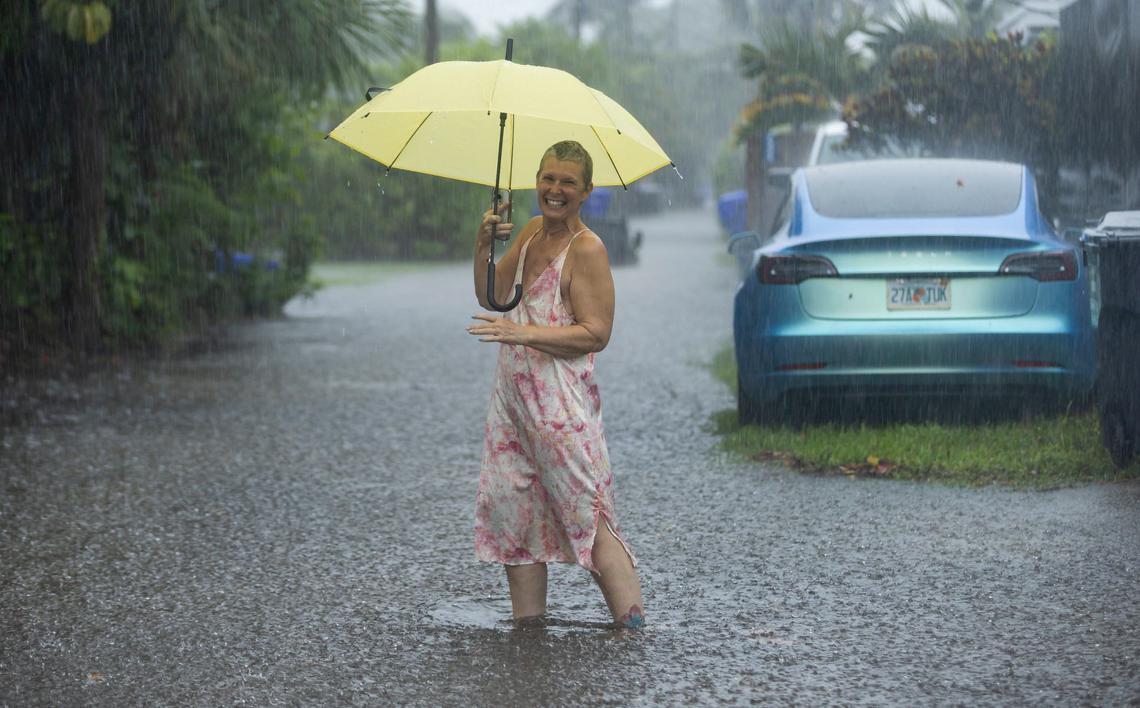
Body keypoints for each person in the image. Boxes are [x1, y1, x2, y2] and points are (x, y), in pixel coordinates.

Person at [466, 140, 644, 629]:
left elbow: (596, 333)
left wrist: (524, 333)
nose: (555, 190)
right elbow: (495, 295)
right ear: (537, 181)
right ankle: (529, 638)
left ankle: (634, 633)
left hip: (561, 409)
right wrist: (484, 242)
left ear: (586, 191)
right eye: (548, 178)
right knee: (515, 517)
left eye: (568, 182)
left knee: (588, 519)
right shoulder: (528, 233)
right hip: (511, 407)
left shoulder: (587, 248)